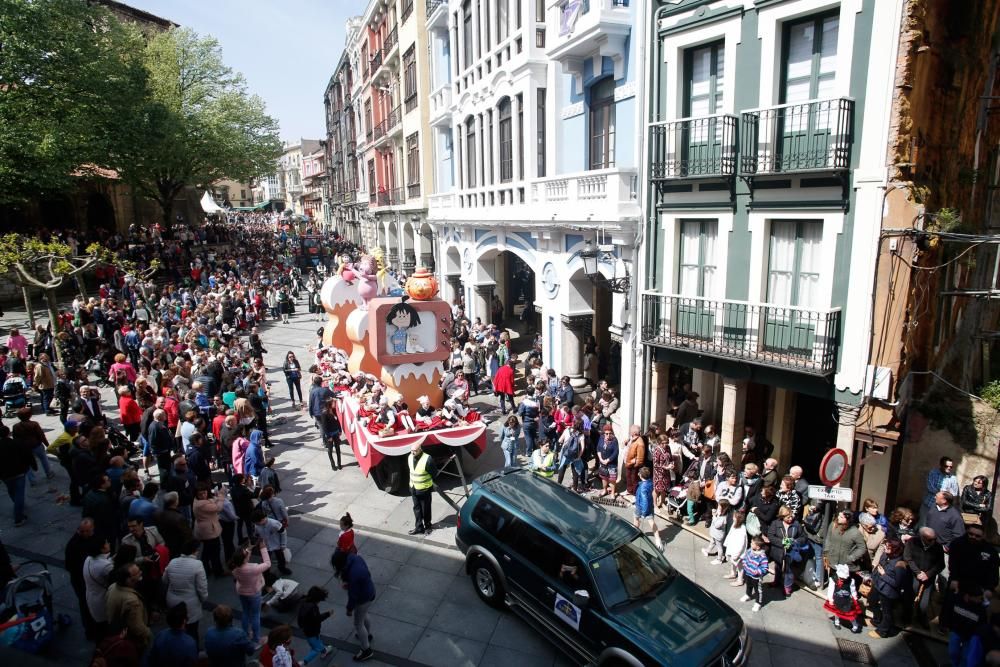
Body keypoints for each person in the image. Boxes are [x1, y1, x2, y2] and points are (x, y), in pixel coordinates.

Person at [163, 539, 209, 646]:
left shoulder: (172, 562)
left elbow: (165, 580)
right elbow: (202, 588)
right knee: (192, 630)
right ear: (194, 551)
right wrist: (203, 599)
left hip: (172, 601)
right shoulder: (197, 565)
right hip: (190, 605)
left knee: (175, 628)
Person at [230, 539, 271, 647]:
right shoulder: (254, 568)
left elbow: (242, 556)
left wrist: (249, 548)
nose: (248, 554)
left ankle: (245, 634)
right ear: (244, 559)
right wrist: (263, 548)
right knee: (255, 615)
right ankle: (256, 639)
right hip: (254, 593)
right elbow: (267, 563)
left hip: (242, 592)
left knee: (246, 613)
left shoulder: (234, 567)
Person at [106, 562, 153, 656]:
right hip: (131, 639)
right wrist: (148, 633)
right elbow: (137, 627)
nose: (141, 573)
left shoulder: (113, 586)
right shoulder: (132, 601)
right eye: (137, 573)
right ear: (129, 580)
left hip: (115, 630)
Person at [66, 518, 102, 639]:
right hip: (80, 579)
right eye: (83, 531)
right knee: (85, 604)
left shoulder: (94, 537)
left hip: (88, 577)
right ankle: (90, 630)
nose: (86, 533)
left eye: (88, 531)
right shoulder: (73, 545)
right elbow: (69, 565)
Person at [904, 526, 945, 626]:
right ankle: (906, 617)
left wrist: (928, 574)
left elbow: (941, 564)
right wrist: (918, 572)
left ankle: (921, 618)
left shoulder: (938, 547)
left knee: (924, 603)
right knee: (909, 598)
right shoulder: (912, 542)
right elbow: (907, 558)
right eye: (930, 539)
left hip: (928, 578)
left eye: (935, 539)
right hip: (913, 575)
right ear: (922, 537)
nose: (933, 541)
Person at [868, 539, 908, 639]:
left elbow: (897, 583)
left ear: (895, 550)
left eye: (888, 547)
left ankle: (882, 631)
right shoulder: (886, 555)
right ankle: (876, 620)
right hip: (878, 585)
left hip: (888, 591)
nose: (885, 548)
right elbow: (879, 567)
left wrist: (884, 575)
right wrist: (872, 577)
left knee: (887, 612)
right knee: (871, 601)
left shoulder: (899, 565)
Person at [942, 582, 988, 667]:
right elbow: (948, 613)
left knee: (966, 657)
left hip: (970, 636)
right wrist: (948, 625)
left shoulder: (981, 609)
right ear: (968, 596)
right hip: (956, 631)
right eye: (977, 598)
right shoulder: (957, 600)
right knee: (953, 652)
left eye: (980, 598)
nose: (979, 600)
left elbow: (982, 624)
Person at [342, 552, 376, 662]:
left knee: (358, 624)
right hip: (370, 592)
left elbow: (353, 595)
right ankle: (368, 634)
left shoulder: (353, 575)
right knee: (365, 614)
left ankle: (366, 650)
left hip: (362, 599)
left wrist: (349, 609)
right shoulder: (357, 559)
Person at [0, 424, 36, 527]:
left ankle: (17, 505)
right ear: (8, 433)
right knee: (19, 493)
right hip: (19, 472)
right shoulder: (17, 443)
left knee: (11, 491)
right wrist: (33, 466)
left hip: (5, 475)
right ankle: (18, 517)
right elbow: (27, 455)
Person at [766, 506, 806, 598]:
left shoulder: (796, 524)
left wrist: (795, 541)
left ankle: (787, 587)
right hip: (778, 551)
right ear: (782, 516)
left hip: (791, 552)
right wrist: (782, 542)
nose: (791, 518)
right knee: (778, 567)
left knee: (789, 570)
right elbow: (771, 536)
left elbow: (803, 537)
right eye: (788, 517)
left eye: (791, 516)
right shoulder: (775, 524)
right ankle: (777, 581)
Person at [149, 603, 198, 667]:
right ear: (184, 621)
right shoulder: (190, 643)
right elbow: (192, 663)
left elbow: (152, 657)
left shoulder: (161, 634)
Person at [83, 537, 114, 639]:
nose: (108, 543)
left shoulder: (88, 559)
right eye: (106, 542)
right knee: (107, 631)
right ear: (102, 549)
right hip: (102, 600)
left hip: (92, 597)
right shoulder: (105, 566)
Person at [193, 483, 227, 576]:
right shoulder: (202, 504)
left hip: (203, 529)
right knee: (215, 551)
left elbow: (211, 501)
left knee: (207, 550)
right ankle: (218, 571)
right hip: (209, 530)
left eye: (204, 493)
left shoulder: (197, 501)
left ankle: (206, 568)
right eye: (201, 494)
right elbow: (218, 508)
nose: (204, 495)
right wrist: (221, 496)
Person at [823, 510, 867, 581]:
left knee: (844, 588)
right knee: (833, 583)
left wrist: (851, 557)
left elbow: (862, 548)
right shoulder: (833, 525)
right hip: (833, 562)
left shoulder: (855, 532)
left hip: (847, 566)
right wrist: (827, 552)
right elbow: (828, 538)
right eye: (839, 515)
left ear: (847, 520)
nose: (838, 518)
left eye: (841, 517)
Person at [298, 586, 333, 664]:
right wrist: (328, 614)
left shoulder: (304, 602)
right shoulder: (313, 608)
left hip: (306, 630)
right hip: (313, 631)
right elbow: (317, 619)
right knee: (316, 648)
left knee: (317, 642)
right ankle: (303, 662)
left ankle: (324, 650)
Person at [823, 563, 863, 633]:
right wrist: (830, 599)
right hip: (837, 599)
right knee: (837, 612)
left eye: (845, 578)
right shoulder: (833, 579)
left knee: (851, 614)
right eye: (841, 577)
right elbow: (831, 589)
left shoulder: (851, 580)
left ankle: (855, 626)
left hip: (847, 600)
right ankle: (836, 622)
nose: (843, 579)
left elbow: (853, 589)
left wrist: (854, 597)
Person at [252, 508, 291, 576]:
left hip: (277, 544)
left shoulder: (274, 524)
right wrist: (257, 539)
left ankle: (282, 568)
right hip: (266, 545)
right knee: (266, 560)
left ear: (263, 519)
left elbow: (283, 533)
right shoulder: (257, 525)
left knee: (281, 558)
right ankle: (266, 573)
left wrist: (283, 544)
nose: (256, 524)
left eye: (257, 523)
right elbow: (257, 533)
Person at [408, 444, 436, 535]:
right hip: (413, 487)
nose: (413, 452)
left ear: (420, 449)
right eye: (411, 450)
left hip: (424, 488)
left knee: (425, 509)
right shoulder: (410, 457)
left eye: (415, 451)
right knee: (416, 508)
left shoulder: (427, 459)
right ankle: (419, 527)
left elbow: (434, 473)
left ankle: (428, 526)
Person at [922, 456, 959, 524]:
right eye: (946, 466)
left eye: (951, 467)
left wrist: (942, 493)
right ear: (941, 465)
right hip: (929, 504)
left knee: (936, 525)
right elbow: (930, 487)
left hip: (942, 507)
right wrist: (945, 493)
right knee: (923, 524)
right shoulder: (933, 473)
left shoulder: (953, 478)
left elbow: (954, 492)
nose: (949, 468)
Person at [634, 467, 663, 551]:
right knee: (652, 523)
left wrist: (643, 513)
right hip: (650, 506)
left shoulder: (643, 487)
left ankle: (635, 533)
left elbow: (644, 501)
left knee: (636, 519)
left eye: (639, 473)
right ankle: (658, 540)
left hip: (641, 507)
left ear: (641, 475)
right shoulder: (650, 482)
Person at [740, 536, 769, 613]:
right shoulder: (749, 551)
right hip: (748, 573)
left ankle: (758, 603)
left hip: (756, 577)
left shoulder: (762, 556)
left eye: (752, 543)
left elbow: (765, 568)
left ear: (758, 547)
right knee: (748, 585)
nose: (750, 544)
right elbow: (745, 558)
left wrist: (757, 571)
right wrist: (744, 564)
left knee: (758, 590)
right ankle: (748, 595)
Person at [723, 511, 748, 585]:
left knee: (740, 566)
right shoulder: (734, 524)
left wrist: (737, 554)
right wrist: (726, 544)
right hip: (732, 548)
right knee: (733, 563)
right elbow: (730, 534)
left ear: (738, 519)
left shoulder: (742, 529)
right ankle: (733, 573)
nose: (733, 518)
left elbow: (741, 544)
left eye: (734, 517)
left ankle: (740, 580)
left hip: (738, 552)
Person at [596, 424, 619, 498]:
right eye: (606, 433)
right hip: (602, 463)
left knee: (612, 479)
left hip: (612, 464)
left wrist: (608, 460)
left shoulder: (614, 440)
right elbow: (598, 449)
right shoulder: (601, 438)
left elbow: (616, 452)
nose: (608, 435)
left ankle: (612, 492)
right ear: (604, 433)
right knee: (604, 478)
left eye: (610, 433)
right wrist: (601, 459)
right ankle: (604, 490)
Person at [623, 424, 645, 497]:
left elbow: (640, 458)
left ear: (634, 433)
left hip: (633, 465)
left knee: (634, 480)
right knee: (629, 478)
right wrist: (626, 442)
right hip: (628, 463)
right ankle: (629, 491)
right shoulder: (631, 438)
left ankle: (635, 494)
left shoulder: (640, 442)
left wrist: (635, 464)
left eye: (630, 431)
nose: (629, 432)